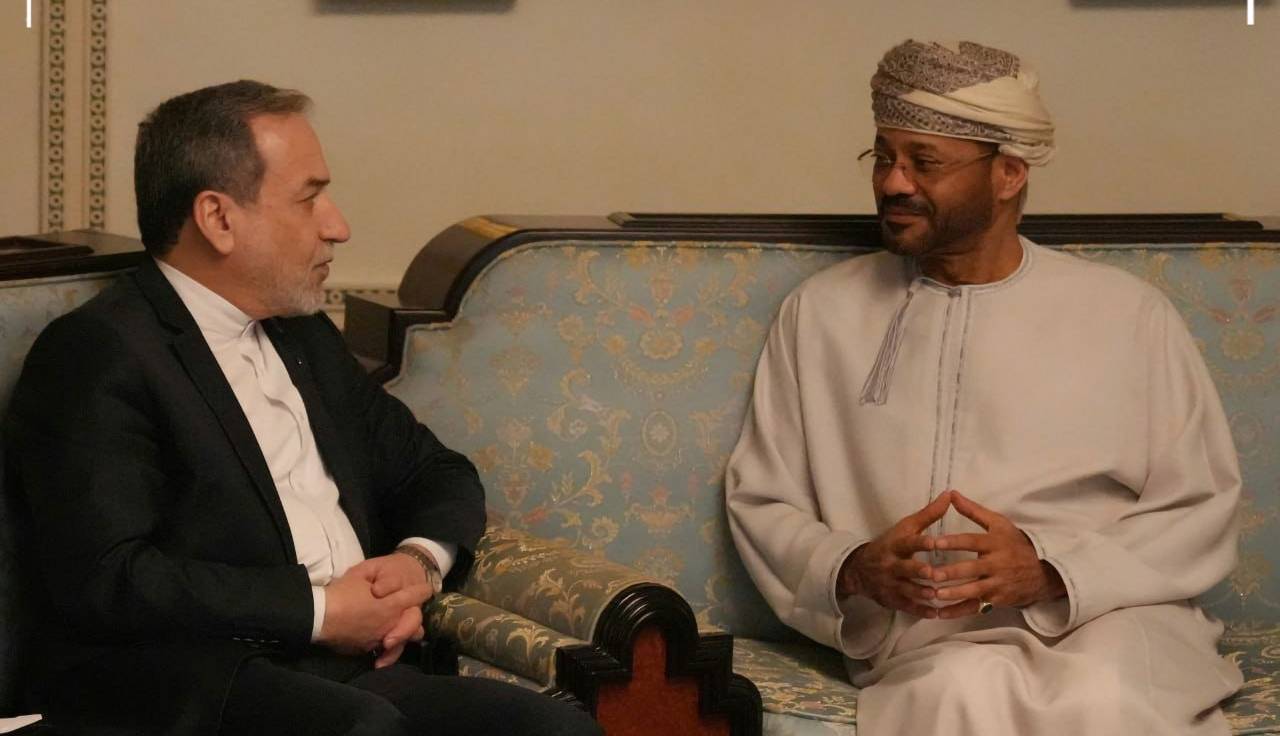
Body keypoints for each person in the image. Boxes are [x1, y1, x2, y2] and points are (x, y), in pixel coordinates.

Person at [5, 80, 602, 736]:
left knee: (556, 731)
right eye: (309, 197)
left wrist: (415, 566)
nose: (337, 227)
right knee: (364, 729)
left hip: (360, 669)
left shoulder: (306, 335)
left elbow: (434, 471)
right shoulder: (99, 351)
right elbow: (109, 578)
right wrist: (321, 613)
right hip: (201, 679)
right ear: (219, 219)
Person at [725, 40, 1243, 735]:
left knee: (1102, 695)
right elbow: (764, 498)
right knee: (955, 692)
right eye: (883, 156)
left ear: (1008, 174)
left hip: (1112, 617)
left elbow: (1200, 502)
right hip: (925, 638)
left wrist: (1052, 571)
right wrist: (855, 567)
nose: (893, 183)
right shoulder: (821, 313)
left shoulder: (1128, 314)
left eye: (925, 161)